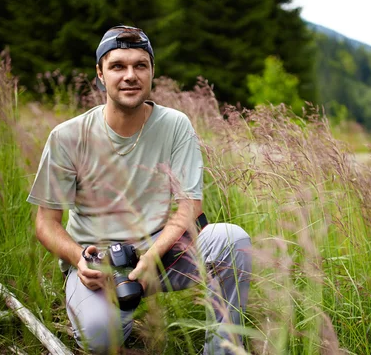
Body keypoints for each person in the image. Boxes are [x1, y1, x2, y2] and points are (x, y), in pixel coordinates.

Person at [27, 25, 252, 354]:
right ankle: (116, 319)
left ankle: (223, 350)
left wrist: (151, 257)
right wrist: (79, 259)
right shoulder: (67, 136)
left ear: (152, 72)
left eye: (140, 65)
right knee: (102, 337)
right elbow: (46, 222)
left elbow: (190, 207)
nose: (130, 75)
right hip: (101, 267)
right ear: (100, 74)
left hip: (164, 254)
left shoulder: (175, 125)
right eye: (118, 66)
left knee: (233, 242)